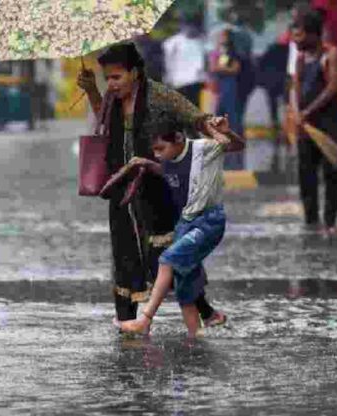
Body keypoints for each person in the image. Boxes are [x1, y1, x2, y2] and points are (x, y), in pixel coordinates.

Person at [76, 43, 227, 328]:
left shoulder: (160, 96)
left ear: (134, 73)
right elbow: (105, 124)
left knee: (170, 254)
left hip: (157, 185)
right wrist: (92, 91)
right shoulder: (111, 97)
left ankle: (205, 311)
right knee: (124, 252)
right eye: (107, 77)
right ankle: (126, 321)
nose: (111, 84)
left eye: (116, 77)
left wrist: (214, 125)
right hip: (121, 183)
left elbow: (194, 117)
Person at [114, 116, 244, 337]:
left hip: (208, 221)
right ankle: (196, 338)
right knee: (184, 287)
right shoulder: (168, 159)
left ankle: (145, 320)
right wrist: (145, 164)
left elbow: (234, 145)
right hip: (186, 222)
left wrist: (222, 131)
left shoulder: (203, 149)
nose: (157, 154)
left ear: (178, 138)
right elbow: (168, 172)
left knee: (167, 260)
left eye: (160, 149)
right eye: (154, 151)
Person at [291, 10, 337, 233]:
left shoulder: (332, 54)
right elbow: (294, 87)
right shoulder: (301, 59)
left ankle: (330, 222)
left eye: (300, 35)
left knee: (331, 171)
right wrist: (296, 111)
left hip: (329, 122)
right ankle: (311, 221)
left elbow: (332, 87)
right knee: (306, 171)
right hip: (305, 124)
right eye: (294, 35)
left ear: (314, 35)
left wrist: (308, 110)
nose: (296, 41)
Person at [210, 29, 245, 170]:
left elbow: (235, 69)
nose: (220, 39)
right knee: (218, 119)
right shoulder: (219, 53)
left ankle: (236, 153)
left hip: (231, 88)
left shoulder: (233, 53)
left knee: (233, 120)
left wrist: (220, 68)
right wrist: (220, 68)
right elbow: (213, 67)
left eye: (223, 36)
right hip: (221, 89)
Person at [162, 15, 207, 106]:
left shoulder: (201, 41)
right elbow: (168, 60)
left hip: (196, 80)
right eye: (188, 25)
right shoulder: (173, 42)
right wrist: (168, 76)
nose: (190, 28)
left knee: (194, 105)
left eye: (193, 26)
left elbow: (204, 60)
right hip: (179, 81)